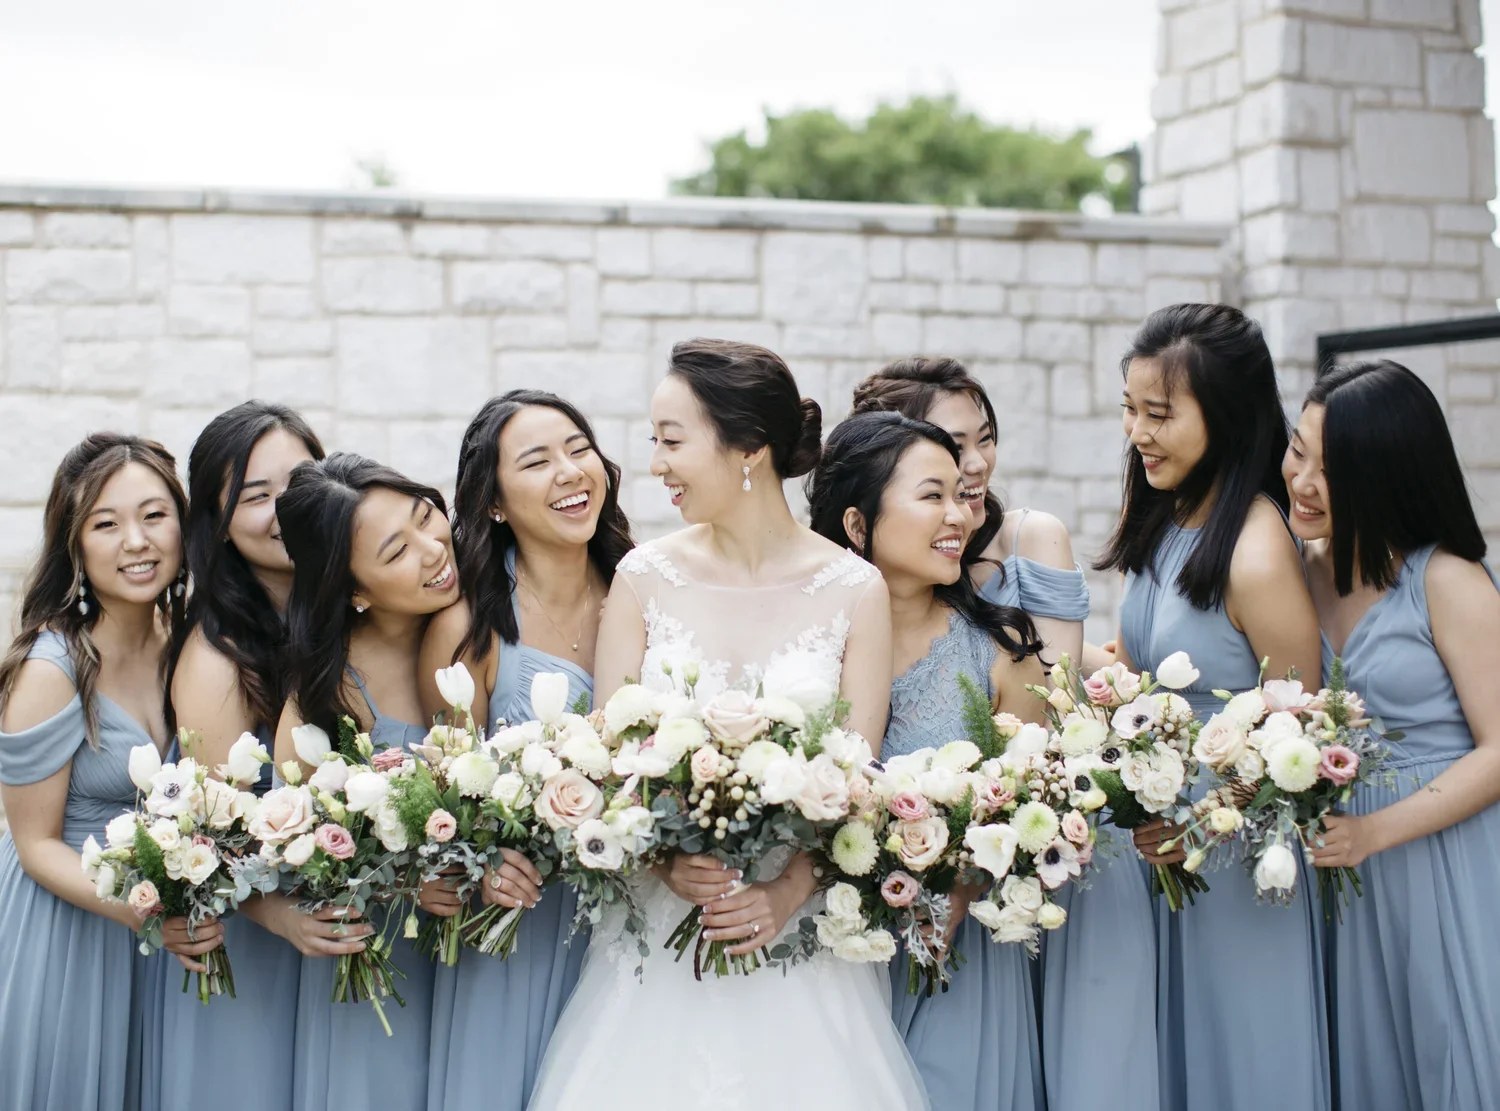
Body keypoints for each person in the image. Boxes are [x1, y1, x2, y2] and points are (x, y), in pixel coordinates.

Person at [528, 339, 928, 1110]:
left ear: (749, 445)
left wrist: (786, 891)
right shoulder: (644, 578)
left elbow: (858, 779)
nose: (656, 464)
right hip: (656, 936)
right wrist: (662, 863)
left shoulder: (855, 588)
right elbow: (607, 765)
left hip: (800, 943)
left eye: (672, 441)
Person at [1106, 303, 1328, 1111]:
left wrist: (1201, 823)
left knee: (1240, 1064)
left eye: (1159, 413)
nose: (1138, 431)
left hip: (1231, 859)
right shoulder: (1169, 515)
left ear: (1225, 413)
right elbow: (1129, 668)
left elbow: (1298, 727)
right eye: (1130, 409)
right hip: (1158, 844)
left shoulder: (1258, 548)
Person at [809, 409, 1047, 1110]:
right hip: (824, 962)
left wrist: (963, 885)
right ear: (857, 525)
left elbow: (1028, 806)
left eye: (959, 494)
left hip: (958, 962)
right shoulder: (809, 651)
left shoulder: (1001, 653)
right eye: (930, 495)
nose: (959, 515)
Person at [1287, 360, 1500, 1111]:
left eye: (1332, 468)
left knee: (1452, 1051)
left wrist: (1375, 830)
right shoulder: (1294, 565)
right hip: (1342, 864)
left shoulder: (1447, 580)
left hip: (1441, 852)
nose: (1303, 480)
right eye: (1297, 450)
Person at [420, 391, 633, 1110]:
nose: (571, 471)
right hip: (518, 918)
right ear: (496, 504)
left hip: (630, 912)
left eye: (579, 448)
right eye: (538, 461)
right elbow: (445, 792)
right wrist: (483, 859)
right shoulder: (470, 624)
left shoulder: (646, 591)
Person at [147, 402, 363, 1111]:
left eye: (296, 483)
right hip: (258, 950)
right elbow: (206, 837)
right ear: (217, 523)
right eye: (253, 496)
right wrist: (283, 918)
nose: (282, 510)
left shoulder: (341, 613)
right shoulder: (218, 658)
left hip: (337, 945)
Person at [0, 433, 206, 1111]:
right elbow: (34, 845)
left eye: (153, 515)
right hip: (69, 928)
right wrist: (145, 913)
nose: (136, 541)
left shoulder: (188, 645)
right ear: (76, 545)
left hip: (153, 937)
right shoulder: (51, 668)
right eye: (106, 523)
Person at [273, 453, 460, 1111]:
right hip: (383, 968)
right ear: (355, 589)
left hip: (491, 959)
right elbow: (294, 844)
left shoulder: (486, 627)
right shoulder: (328, 695)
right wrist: (409, 877)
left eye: (425, 516)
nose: (434, 548)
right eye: (397, 550)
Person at [851, 356, 1087, 666]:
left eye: (985, 439)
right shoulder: (866, 568)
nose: (979, 464)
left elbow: (1057, 696)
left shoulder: (1033, 539)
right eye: (955, 446)